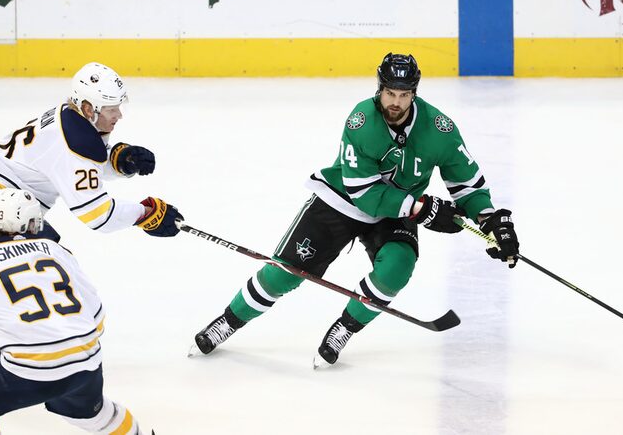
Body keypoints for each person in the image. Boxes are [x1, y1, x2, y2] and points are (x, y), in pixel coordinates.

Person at [188, 53, 520, 367]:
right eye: (390, 92)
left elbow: (468, 186)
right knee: (282, 273)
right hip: (341, 200)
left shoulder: (440, 130)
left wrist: (491, 220)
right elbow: (363, 191)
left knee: (397, 267)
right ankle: (228, 321)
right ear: (380, 89)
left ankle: (345, 326)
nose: (395, 102)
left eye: (404, 95)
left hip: (396, 213)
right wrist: (421, 208)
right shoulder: (362, 120)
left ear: (414, 94)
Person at [0, 62, 183, 284]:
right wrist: (146, 214)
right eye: (110, 108)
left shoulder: (68, 115)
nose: (119, 114)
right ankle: (30, 339)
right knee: (50, 269)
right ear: (87, 108)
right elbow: (98, 216)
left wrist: (119, 162)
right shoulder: (78, 141)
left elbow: (68, 164)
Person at [0, 188, 145, 434]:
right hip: (87, 363)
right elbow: (97, 321)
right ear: (34, 222)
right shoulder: (58, 251)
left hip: (29, 372)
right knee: (97, 416)